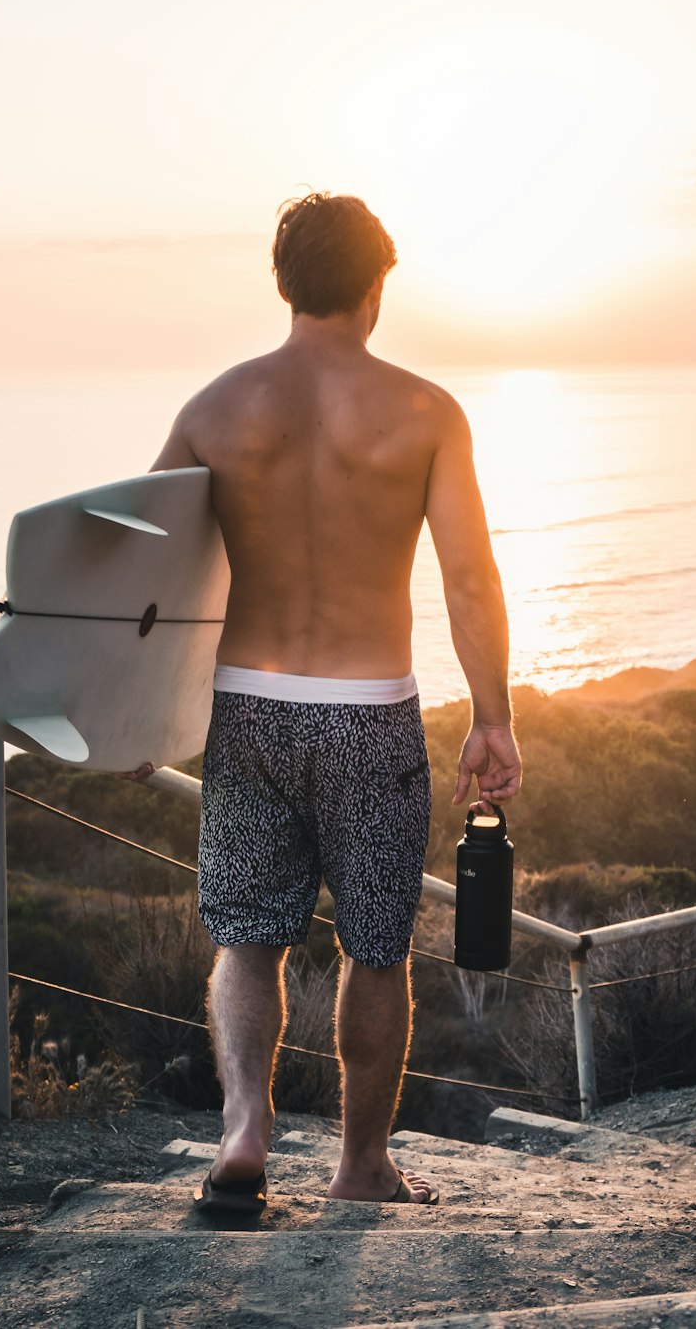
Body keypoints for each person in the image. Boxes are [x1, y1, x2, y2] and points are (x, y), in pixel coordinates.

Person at [137, 193, 521, 1212]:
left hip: (248, 710)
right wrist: (494, 717)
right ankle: (360, 1170)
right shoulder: (425, 411)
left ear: (282, 282)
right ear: (376, 285)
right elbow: (469, 578)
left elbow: (147, 579)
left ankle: (243, 1132)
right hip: (371, 716)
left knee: (247, 939)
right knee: (376, 950)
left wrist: (138, 713)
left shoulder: (213, 409)